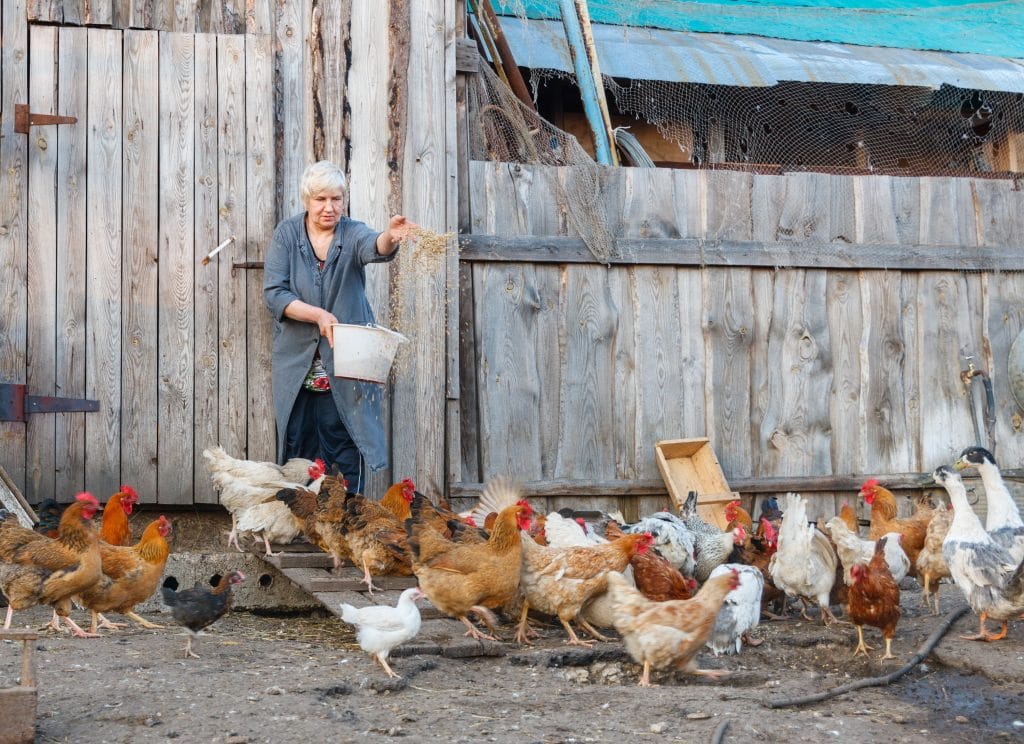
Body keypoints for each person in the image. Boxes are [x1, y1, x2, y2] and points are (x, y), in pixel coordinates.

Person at [263, 160, 417, 493]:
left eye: (336, 199)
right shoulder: (287, 235)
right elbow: (274, 293)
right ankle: (304, 525)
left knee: (342, 438)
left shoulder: (351, 232)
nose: (329, 208)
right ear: (307, 200)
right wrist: (317, 316)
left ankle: (347, 522)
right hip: (298, 362)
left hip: (346, 361)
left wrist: (390, 236)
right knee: (298, 442)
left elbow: (374, 247)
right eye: (321, 199)